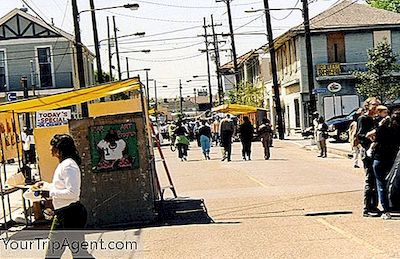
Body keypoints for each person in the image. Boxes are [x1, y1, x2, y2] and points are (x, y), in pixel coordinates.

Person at [35, 134, 91, 258]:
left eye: (52, 146)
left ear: (59, 150)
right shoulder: (64, 165)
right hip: (62, 214)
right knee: (52, 254)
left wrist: (49, 193)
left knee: (79, 254)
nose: (50, 149)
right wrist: (45, 185)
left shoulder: (69, 166)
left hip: (71, 214)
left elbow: (73, 193)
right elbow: (61, 187)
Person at [370, 109, 400, 220]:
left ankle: (386, 210)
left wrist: (379, 125)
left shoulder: (383, 128)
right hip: (392, 159)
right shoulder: (397, 130)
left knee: (381, 184)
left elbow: (371, 135)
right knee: (390, 183)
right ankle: (392, 205)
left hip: (379, 158)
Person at [356, 97, 381, 217]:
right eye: (374, 105)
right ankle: (367, 208)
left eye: (378, 105)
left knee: (377, 180)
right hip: (367, 151)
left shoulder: (377, 119)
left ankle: (374, 206)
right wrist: (369, 137)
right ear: (368, 106)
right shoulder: (363, 118)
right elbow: (360, 135)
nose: (376, 107)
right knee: (370, 179)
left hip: (377, 151)